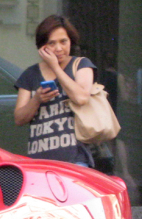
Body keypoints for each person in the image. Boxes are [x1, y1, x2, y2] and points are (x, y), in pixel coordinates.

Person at [13, 14, 96, 167]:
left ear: (71, 41)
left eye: (63, 41)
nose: (59, 48)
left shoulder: (81, 65)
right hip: (40, 160)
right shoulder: (31, 74)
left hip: (75, 158)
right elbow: (19, 118)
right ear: (42, 47)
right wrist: (36, 99)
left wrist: (55, 67)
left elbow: (82, 98)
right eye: (52, 43)